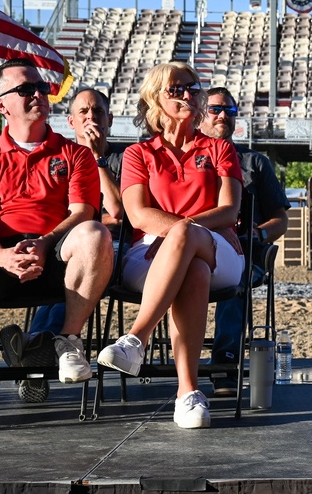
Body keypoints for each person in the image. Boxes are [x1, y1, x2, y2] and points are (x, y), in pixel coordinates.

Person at [0, 59, 113, 429]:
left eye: (40, 87)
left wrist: (44, 242)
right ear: (0, 104)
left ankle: (68, 342)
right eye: (25, 89)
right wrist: (1, 255)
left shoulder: (76, 154)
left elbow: (84, 211)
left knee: (95, 234)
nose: (38, 93)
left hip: (57, 251)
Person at [97, 62, 244, 429]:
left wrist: (180, 232)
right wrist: (177, 235)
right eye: (176, 89)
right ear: (154, 99)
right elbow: (137, 214)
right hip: (150, 251)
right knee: (191, 270)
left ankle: (136, 338)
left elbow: (229, 211)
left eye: (193, 88)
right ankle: (188, 394)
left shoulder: (219, 148)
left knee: (187, 240)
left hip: (218, 249)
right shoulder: (138, 154)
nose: (188, 94)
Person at [1, 87, 128, 404]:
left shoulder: (126, 158)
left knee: (86, 255)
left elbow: (119, 213)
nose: (91, 118)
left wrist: (96, 158)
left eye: (97, 111)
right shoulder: (60, 157)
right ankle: (39, 348)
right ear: (70, 121)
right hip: (64, 247)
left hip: (111, 248)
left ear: (110, 118)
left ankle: (33, 350)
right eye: (83, 112)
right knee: (65, 268)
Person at [198, 86, 290, 397]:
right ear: (199, 114)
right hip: (192, 249)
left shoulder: (255, 163)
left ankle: (225, 360)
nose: (223, 115)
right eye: (214, 109)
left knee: (235, 276)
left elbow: (282, 219)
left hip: (243, 252)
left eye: (230, 111)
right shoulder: (185, 160)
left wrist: (259, 233)